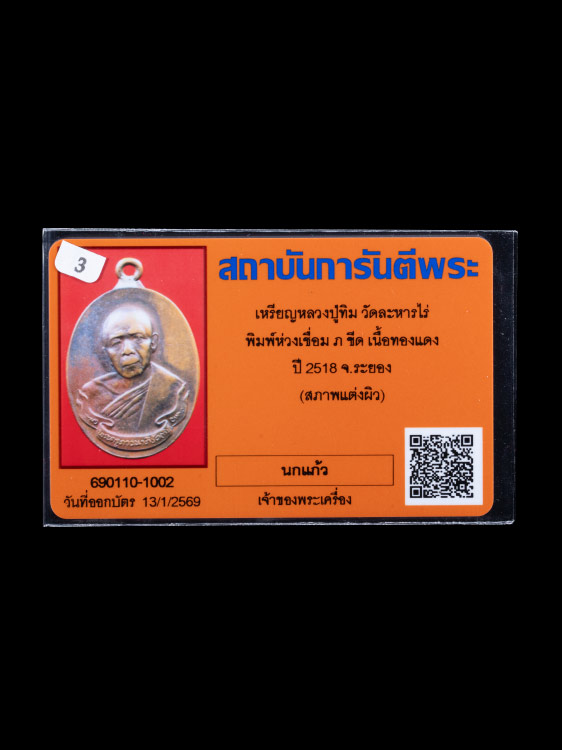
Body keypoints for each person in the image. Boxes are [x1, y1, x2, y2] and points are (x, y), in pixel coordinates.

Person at [75, 304, 189, 435]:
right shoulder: (90, 395)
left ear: (153, 342)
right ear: (105, 351)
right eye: (116, 342)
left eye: (138, 338)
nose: (127, 350)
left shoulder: (174, 390)